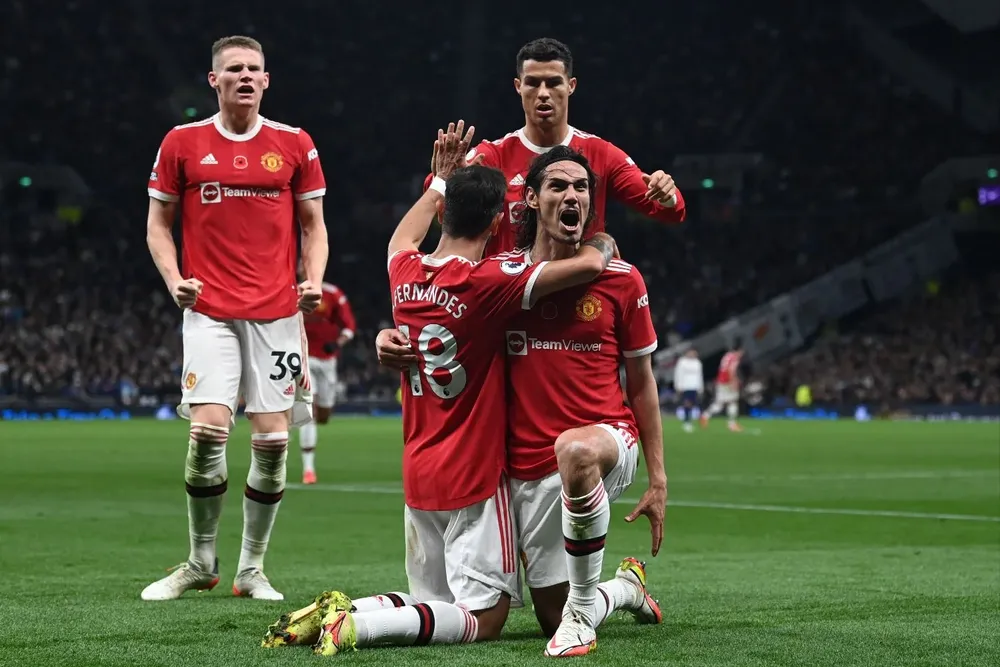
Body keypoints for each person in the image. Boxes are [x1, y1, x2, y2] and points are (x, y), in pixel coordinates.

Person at [262, 122, 620, 656]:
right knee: (486, 617)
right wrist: (602, 239)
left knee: (430, 601)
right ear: (497, 222)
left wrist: (439, 180)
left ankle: (345, 609)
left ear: (443, 213)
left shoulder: (402, 268)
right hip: (472, 471)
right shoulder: (487, 284)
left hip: (418, 463)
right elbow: (589, 264)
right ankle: (357, 628)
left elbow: (402, 236)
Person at [379, 146, 666, 658]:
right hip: (522, 466)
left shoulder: (623, 280)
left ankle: (582, 618)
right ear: (530, 199)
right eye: (558, 186)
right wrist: (389, 338)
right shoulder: (499, 278)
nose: (572, 195)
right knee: (548, 612)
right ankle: (624, 590)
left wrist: (659, 477)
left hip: (603, 438)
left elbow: (642, 383)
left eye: (582, 187)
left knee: (577, 451)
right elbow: (439, 316)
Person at [142, 35, 327, 602]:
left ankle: (251, 569)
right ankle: (201, 561)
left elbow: (314, 226)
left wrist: (313, 280)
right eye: (234, 69)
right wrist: (174, 280)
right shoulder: (182, 142)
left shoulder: (294, 143)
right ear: (214, 80)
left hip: (277, 314)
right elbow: (157, 226)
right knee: (207, 434)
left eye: (254, 69)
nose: (245, 76)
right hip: (209, 310)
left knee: (272, 443)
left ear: (266, 80)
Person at [425, 37, 686, 258]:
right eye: (532, 83)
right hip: (511, 297)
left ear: (570, 86)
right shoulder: (492, 156)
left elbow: (672, 211)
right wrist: (448, 180)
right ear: (518, 87)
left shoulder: (601, 153)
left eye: (553, 83)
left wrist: (666, 194)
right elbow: (435, 204)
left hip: (581, 295)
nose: (543, 93)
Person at [298, 264, 356, 484]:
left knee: (323, 414)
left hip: (327, 360)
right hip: (302, 357)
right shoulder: (292, 293)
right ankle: (308, 469)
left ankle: (310, 417)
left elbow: (349, 326)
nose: (303, 269)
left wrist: (338, 343)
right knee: (309, 411)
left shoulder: (333, 294)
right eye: (301, 266)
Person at [700, 345, 745, 432]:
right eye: (741, 352)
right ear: (739, 351)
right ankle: (732, 424)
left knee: (720, 404)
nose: (742, 354)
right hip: (727, 382)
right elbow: (731, 370)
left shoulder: (727, 355)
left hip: (720, 381)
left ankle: (705, 416)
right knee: (733, 402)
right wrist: (733, 382)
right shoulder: (734, 358)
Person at [673, 348, 704, 432]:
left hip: (694, 386)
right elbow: (678, 374)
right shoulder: (682, 362)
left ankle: (691, 420)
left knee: (693, 404)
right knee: (687, 403)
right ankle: (686, 421)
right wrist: (678, 385)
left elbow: (700, 376)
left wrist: (701, 387)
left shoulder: (697, 363)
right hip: (685, 386)